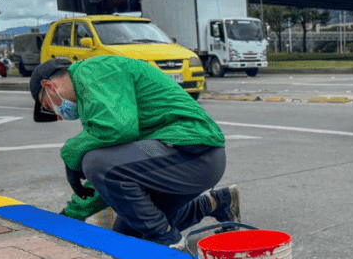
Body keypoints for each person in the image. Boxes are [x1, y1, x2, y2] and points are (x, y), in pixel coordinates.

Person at [29, 56, 240, 248]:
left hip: (194, 152)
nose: (57, 115)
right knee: (129, 234)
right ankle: (217, 202)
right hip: (191, 161)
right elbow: (114, 171)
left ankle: (167, 240)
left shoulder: (91, 71)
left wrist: (70, 153)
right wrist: (71, 215)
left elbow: (113, 139)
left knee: (94, 162)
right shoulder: (96, 97)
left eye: (48, 105)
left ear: (48, 85)